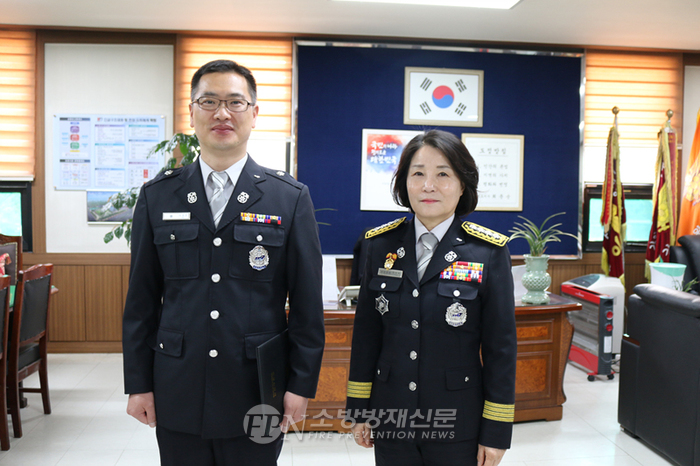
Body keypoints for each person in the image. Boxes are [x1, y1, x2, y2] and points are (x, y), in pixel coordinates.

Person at [122, 59, 325, 466]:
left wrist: (301, 385)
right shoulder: (157, 196)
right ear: (192, 112)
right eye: (209, 101)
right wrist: (138, 383)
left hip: (257, 388)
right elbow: (141, 301)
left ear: (254, 113)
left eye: (235, 102)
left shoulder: (289, 198)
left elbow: (307, 305)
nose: (222, 113)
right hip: (178, 384)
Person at [346, 130, 517, 466]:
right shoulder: (379, 245)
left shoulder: (488, 252)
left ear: (463, 184)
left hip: (458, 420)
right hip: (392, 416)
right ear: (404, 183)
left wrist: (495, 431)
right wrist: (359, 410)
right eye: (418, 174)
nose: (428, 186)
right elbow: (366, 335)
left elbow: (501, 349)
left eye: (442, 174)